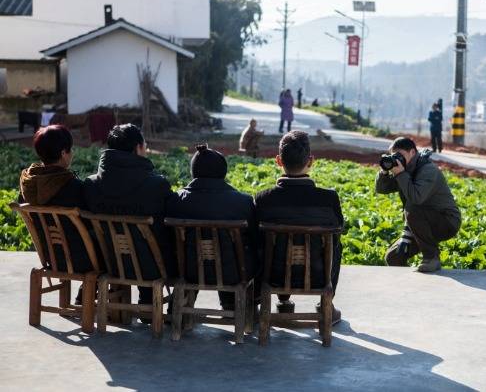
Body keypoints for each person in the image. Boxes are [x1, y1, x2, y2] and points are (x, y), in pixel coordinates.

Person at [254, 130, 344, 325]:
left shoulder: (264, 199)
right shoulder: (328, 199)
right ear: (310, 160)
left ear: (278, 160)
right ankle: (325, 303)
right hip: (317, 275)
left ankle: (282, 301)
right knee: (336, 244)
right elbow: (338, 231)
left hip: (273, 276)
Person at [84, 124, 178, 304]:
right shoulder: (156, 186)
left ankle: (144, 302)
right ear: (138, 148)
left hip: (109, 264)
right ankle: (152, 303)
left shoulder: (91, 185)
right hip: (155, 266)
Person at [166, 145, 258, 311]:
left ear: (193, 171)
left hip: (187, 271)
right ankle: (233, 305)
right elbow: (254, 238)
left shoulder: (176, 201)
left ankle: (180, 306)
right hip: (234, 273)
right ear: (223, 172)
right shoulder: (242, 203)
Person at [19, 125, 92, 303]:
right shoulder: (74, 188)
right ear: (63, 153)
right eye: (70, 150)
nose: (72, 154)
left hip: (50, 257)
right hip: (81, 259)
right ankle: (95, 294)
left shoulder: (27, 187)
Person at [375, 137, 461, 273]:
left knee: (412, 209)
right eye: (393, 156)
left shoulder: (427, 170)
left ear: (412, 152)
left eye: (400, 155)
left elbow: (416, 198)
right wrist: (385, 171)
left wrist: (401, 174)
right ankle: (408, 290)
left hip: (447, 221)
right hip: (421, 223)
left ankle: (431, 258)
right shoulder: (404, 168)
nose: (397, 159)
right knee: (393, 257)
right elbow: (382, 189)